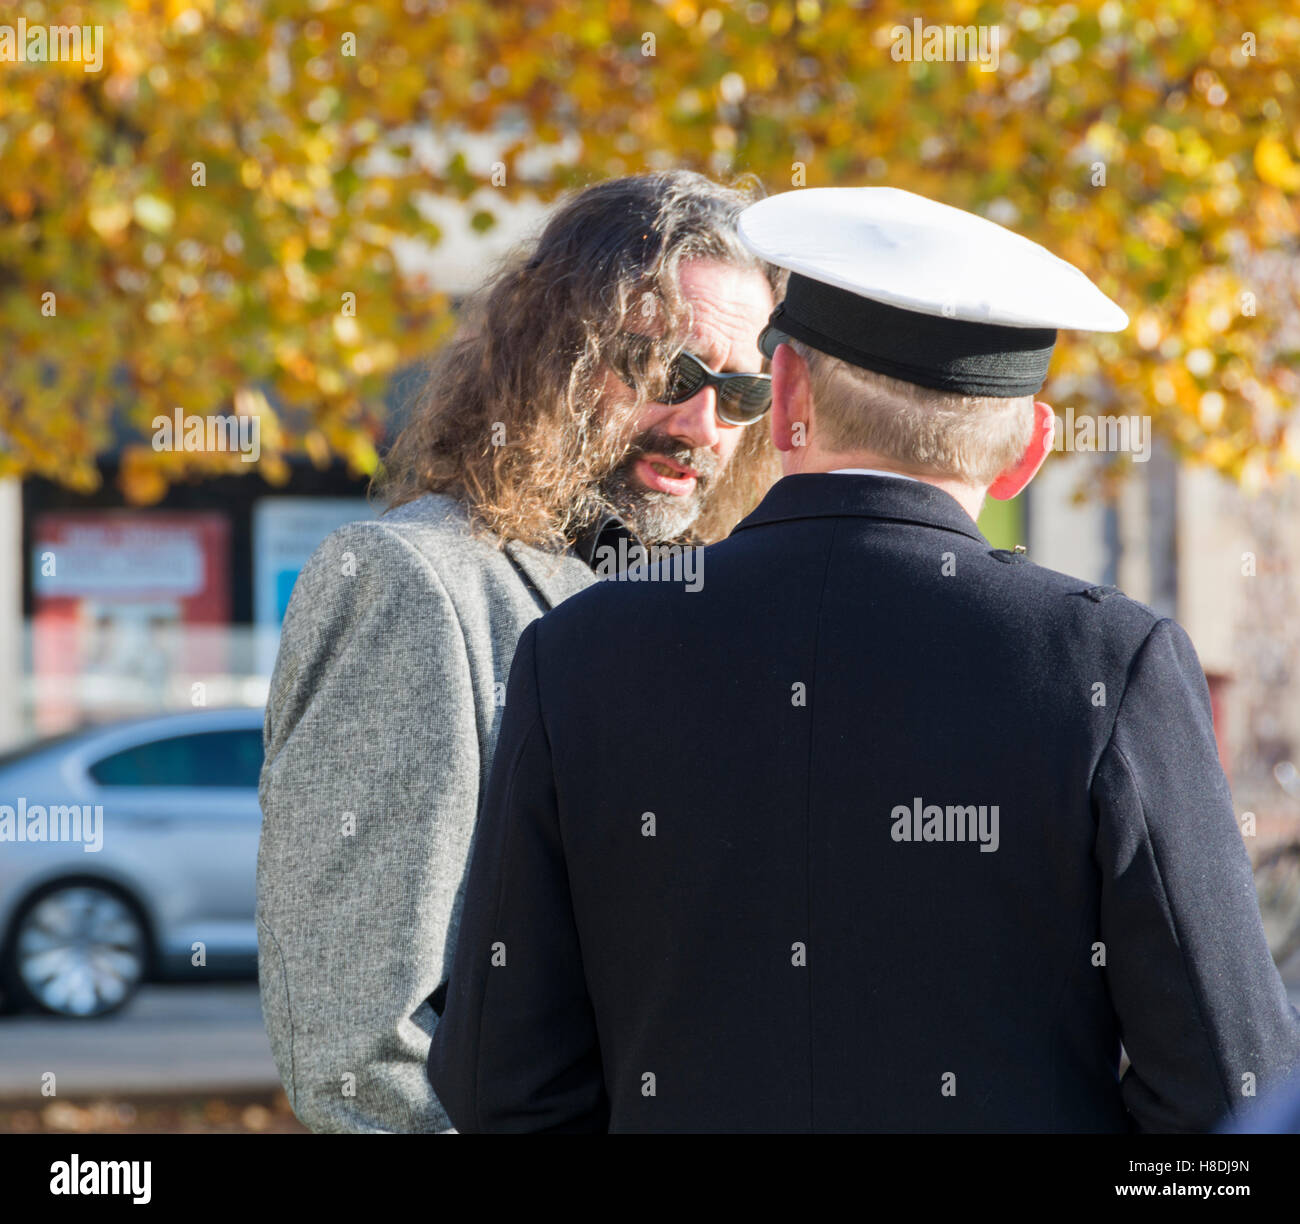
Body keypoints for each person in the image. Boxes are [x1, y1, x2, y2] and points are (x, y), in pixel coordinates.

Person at [428, 186, 1300, 1133]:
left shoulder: (579, 651)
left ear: (789, 394)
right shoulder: (1109, 661)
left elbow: (499, 1087)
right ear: (1027, 454)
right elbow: (1228, 1086)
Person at [256, 171, 782, 1132]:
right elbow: (358, 1046)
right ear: (555, 354)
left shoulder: (702, 598)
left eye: (741, 391)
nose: (703, 426)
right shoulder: (409, 581)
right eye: (665, 371)